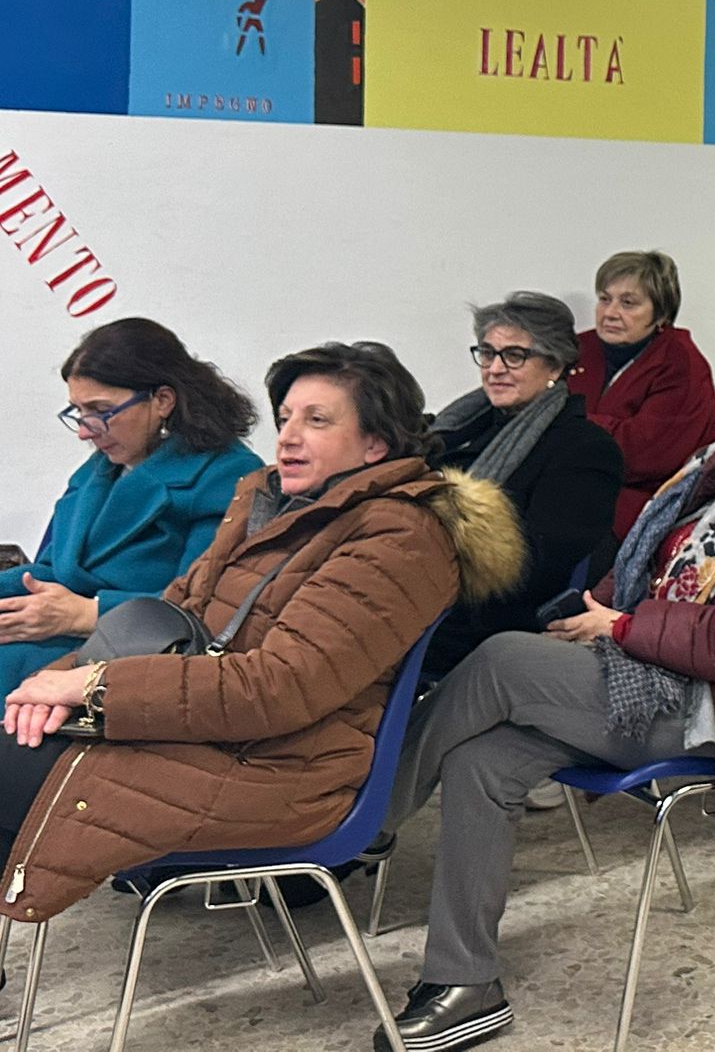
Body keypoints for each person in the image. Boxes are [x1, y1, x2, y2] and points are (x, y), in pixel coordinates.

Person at [381, 339, 715, 1052]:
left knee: (499, 659)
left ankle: (366, 821)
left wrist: (620, 626)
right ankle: (465, 984)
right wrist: (595, 616)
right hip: (652, 675)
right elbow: (644, 568)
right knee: (482, 761)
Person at [0, 342, 521, 930]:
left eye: (317, 421)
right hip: (212, 734)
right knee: (17, 743)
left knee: (10, 767)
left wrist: (93, 688)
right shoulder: (269, 499)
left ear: (376, 443)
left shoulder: (399, 537)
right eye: (286, 418)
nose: (288, 438)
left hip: (283, 766)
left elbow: (278, 688)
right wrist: (59, 682)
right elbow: (169, 615)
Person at [0, 319, 262, 696]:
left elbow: (204, 606)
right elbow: (49, 572)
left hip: (131, 658)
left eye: (101, 410)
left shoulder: (228, 477)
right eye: (78, 412)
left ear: (162, 401)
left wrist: (85, 614)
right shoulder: (98, 470)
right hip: (57, 641)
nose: (84, 430)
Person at [426, 292, 624, 675]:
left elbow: (534, 570)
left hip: (484, 624)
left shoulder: (587, 450)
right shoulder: (458, 427)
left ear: (556, 364)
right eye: (487, 353)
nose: (495, 368)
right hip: (429, 594)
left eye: (514, 355)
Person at [563, 250, 715, 566]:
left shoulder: (681, 361)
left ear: (660, 314)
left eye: (628, 303)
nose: (610, 312)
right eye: (604, 299)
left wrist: (572, 424)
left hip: (648, 502)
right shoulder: (578, 350)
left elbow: (643, 453)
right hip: (580, 488)